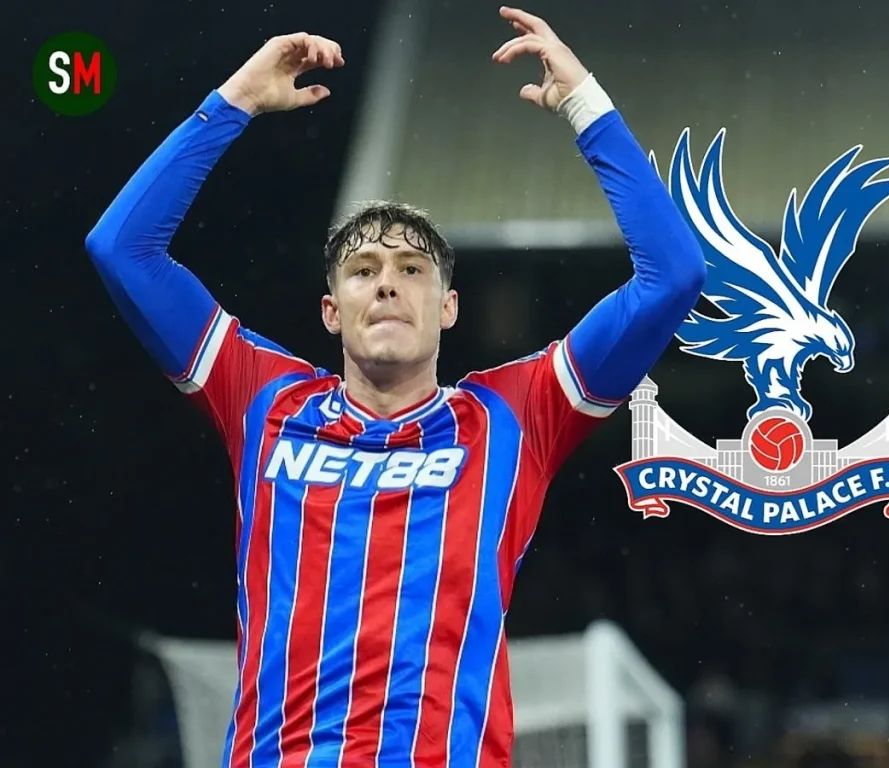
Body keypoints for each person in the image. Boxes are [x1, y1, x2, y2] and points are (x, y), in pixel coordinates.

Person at [85, 7, 706, 767]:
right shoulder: (264, 399)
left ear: (448, 307)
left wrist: (586, 106)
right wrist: (234, 101)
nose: (387, 284)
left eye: (412, 269)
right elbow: (122, 249)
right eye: (363, 271)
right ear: (331, 311)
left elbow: (673, 275)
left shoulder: (511, 415)